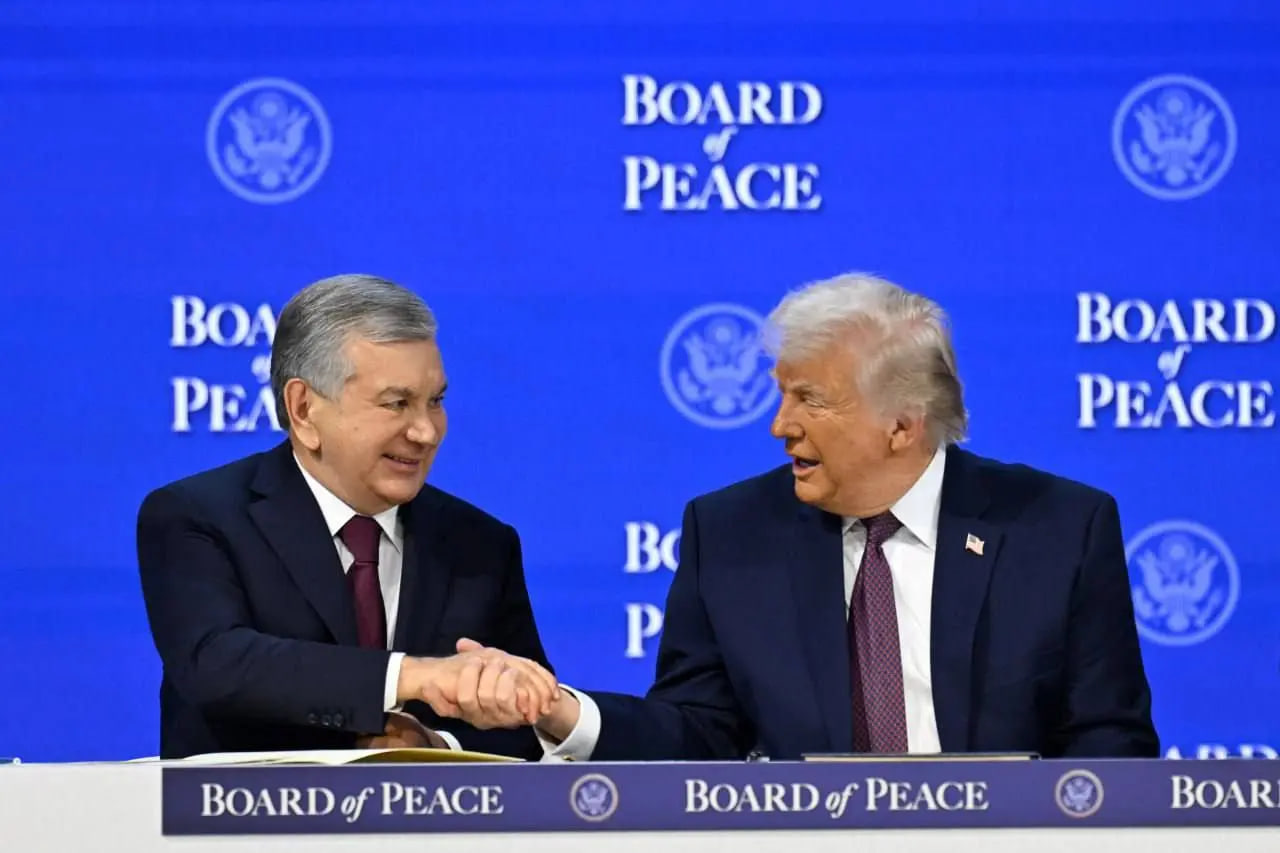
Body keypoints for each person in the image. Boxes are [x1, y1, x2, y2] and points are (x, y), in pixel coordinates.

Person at [460, 271, 1160, 760]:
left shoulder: (1057, 529)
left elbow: (1109, 744)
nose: (779, 425)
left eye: (810, 400)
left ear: (902, 425)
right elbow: (698, 736)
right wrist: (565, 712)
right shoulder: (731, 534)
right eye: (782, 394)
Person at [136, 274, 558, 760]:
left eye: (435, 401)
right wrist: (411, 676)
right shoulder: (199, 516)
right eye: (397, 403)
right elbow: (217, 664)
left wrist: (434, 745)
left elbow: (527, 726)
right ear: (304, 409)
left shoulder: (479, 543)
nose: (426, 432)